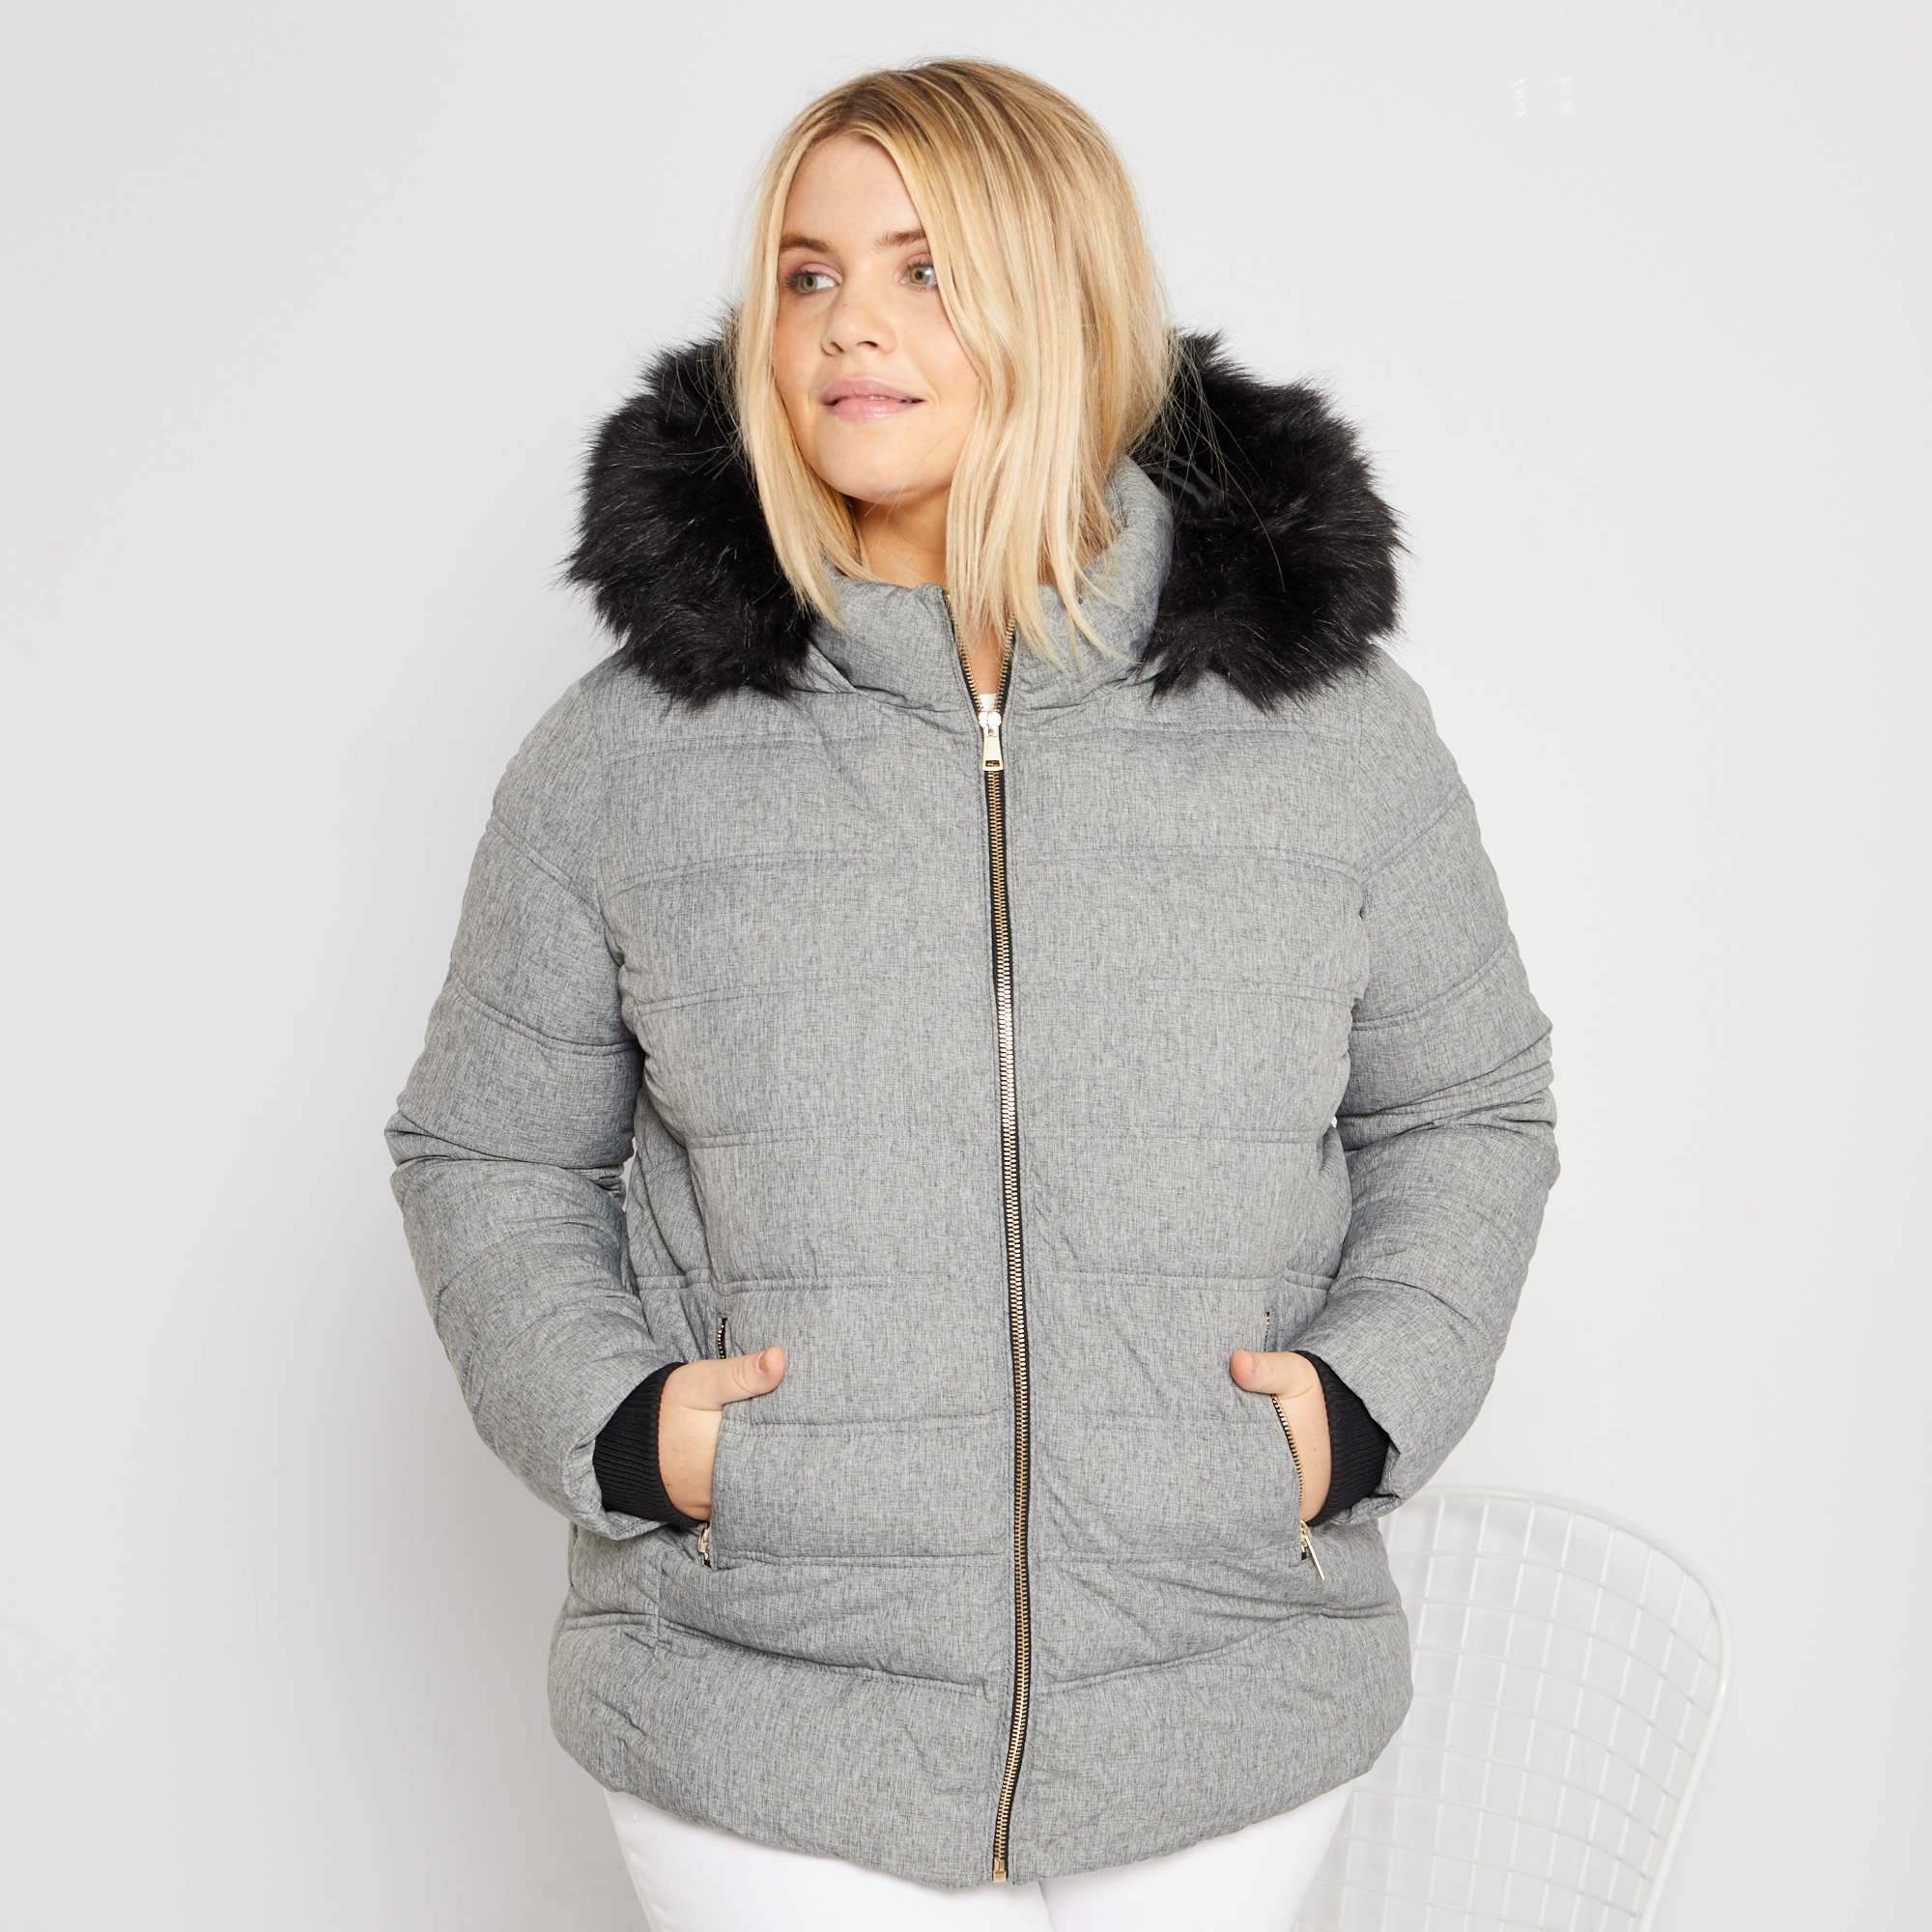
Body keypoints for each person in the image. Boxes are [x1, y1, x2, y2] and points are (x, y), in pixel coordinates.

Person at [383, 55, 1560, 1930]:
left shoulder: (1323, 730)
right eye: (808, 273)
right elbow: (485, 1150)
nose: (849, 323)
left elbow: (1466, 1107)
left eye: (925, 267)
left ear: (1067, 300)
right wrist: (624, 1426)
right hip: (762, 1707)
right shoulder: (629, 755)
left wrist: (1354, 1407)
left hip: (1219, 1693)